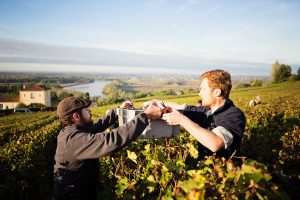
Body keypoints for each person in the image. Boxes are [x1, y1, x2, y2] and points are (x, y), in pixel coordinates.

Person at [53, 96, 162, 200]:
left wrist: (117, 111)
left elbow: (97, 126)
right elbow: (110, 140)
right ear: (76, 116)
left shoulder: (70, 132)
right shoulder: (75, 140)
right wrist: (145, 116)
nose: (90, 111)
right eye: (87, 110)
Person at [143, 69, 246, 160]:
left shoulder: (234, 115)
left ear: (217, 92)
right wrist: (156, 101)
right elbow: (181, 107)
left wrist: (182, 120)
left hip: (225, 176)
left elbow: (215, 143)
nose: (199, 94)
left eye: (203, 89)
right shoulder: (206, 111)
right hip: (205, 173)